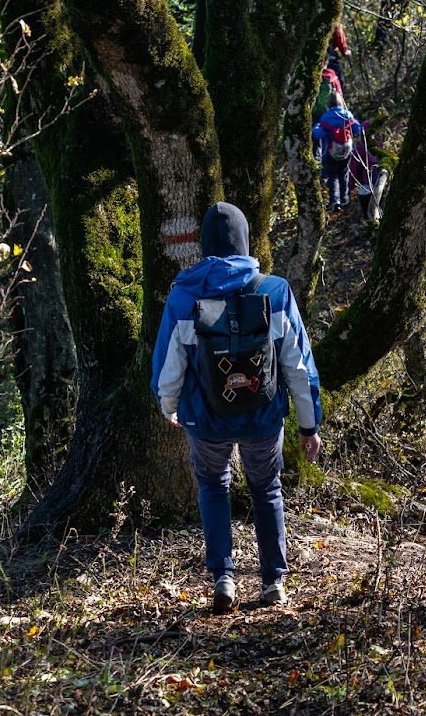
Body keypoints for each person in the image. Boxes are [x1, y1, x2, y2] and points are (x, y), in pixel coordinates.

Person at [150, 202, 322, 613]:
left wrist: (168, 405)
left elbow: (168, 366)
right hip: (263, 418)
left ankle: (223, 578)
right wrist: (308, 423)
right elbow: (298, 365)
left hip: (206, 420)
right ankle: (273, 582)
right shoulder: (275, 291)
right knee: (267, 489)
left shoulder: (185, 295)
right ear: (245, 240)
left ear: (205, 246)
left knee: (213, 486)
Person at [311, 92, 355, 212]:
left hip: (330, 152)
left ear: (328, 102)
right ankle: (345, 199)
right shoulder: (348, 114)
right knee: (344, 174)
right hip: (346, 151)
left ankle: (335, 201)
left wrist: (315, 127)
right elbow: (357, 128)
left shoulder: (325, 117)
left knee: (332, 176)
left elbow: (318, 133)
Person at [344, 121, 388, 222]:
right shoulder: (381, 146)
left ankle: (371, 229)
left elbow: (353, 171)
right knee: (380, 212)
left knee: (368, 215)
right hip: (382, 184)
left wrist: (350, 186)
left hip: (366, 188)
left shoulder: (359, 150)